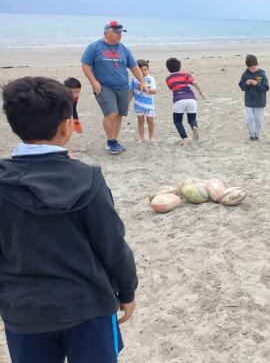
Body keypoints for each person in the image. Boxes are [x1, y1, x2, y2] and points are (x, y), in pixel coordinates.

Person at [0, 77, 138, 362]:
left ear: (14, 126)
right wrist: (127, 290)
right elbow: (112, 245)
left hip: (24, 309)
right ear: (66, 126)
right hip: (88, 305)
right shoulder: (87, 179)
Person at [81, 20, 148, 154]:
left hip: (123, 86)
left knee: (119, 115)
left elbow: (134, 66)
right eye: (116, 32)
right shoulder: (94, 47)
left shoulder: (124, 49)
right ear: (107, 32)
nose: (119, 35)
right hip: (104, 86)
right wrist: (93, 82)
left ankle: (114, 141)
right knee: (111, 113)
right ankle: (110, 141)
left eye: (121, 32)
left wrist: (142, 81)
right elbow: (85, 65)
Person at [165, 57, 206, 146]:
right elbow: (194, 82)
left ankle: (185, 138)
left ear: (168, 68)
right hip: (191, 99)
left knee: (177, 121)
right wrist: (201, 92)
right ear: (180, 66)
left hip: (179, 100)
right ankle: (194, 126)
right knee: (192, 119)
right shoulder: (186, 74)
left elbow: (171, 88)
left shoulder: (168, 79)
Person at [239, 54, 270, 141]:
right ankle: (251, 135)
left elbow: (266, 88)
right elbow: (241, 87)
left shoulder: (262, 74)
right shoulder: (245, 74)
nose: (252, 70)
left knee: (258, 119)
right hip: (249, 102)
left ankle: (257, 134)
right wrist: (246, 84)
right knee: (250, 119)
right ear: (247, 67)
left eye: (254, 67)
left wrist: (256, 84)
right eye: (250, 68)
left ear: (257, 64)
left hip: (260, 102)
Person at [129, 59, 157, 143]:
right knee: (140, 121)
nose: (144, 72)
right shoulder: (134, 80)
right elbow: (131, 92)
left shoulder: (150, 79)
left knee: (150, 121)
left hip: (149, 104)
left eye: (145, 69)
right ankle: (142, 137)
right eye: (141, 70)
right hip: (138, 104)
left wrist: (143, 88)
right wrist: (127, 103)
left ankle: (151, 137)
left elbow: (154, 91)